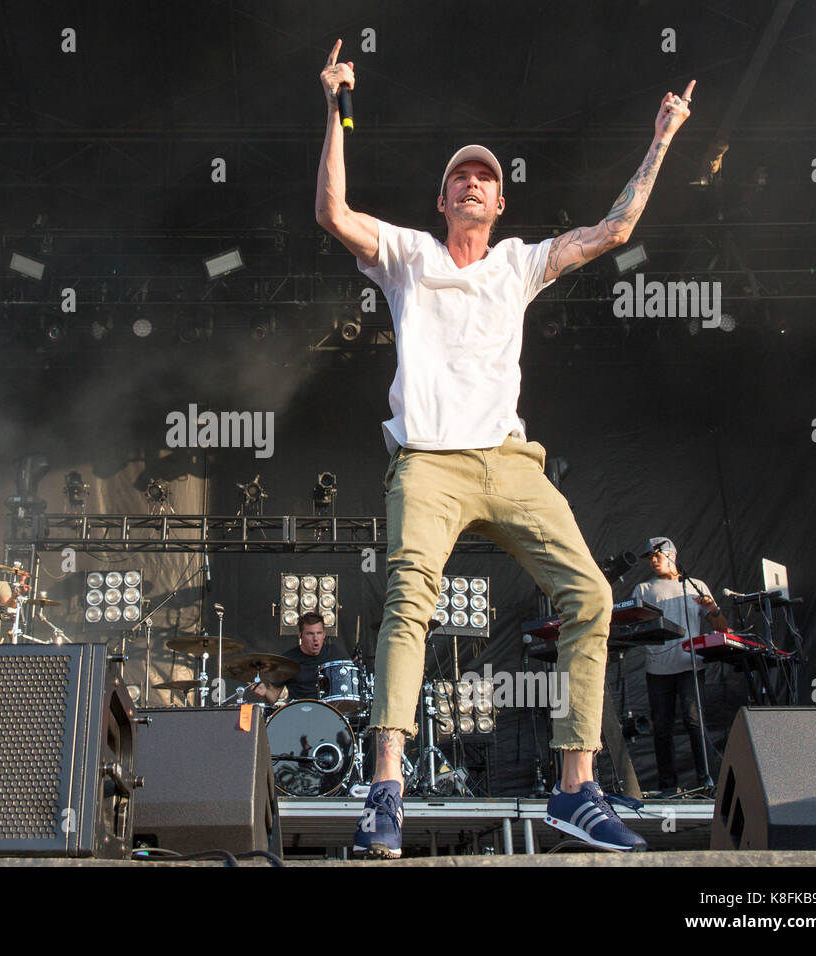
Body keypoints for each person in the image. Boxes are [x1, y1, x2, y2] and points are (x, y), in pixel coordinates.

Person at [314, 38, 696, 856]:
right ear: (443, 199)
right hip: (428, 462)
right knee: (410, 599)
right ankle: (384, 790)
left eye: (486, 177)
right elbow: (333, 214)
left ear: (499, 205)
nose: (474, 183)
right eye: (461, 176)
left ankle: (574, 790)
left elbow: (617, 225)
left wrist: (663, 136)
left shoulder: (520, 265)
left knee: (591, 596)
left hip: (509, 462)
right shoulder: (409, 257)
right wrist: (337, 108)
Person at [632, 537, 726, 795]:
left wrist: (714, 610)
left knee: (694, 721)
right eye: (649, 557)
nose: (652, 561)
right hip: (658, 669)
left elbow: (721, 629)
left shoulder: (695, 586)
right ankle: (668, 787)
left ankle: (706, 781)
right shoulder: (643, 590)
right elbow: (635, 628)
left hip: (690, 666)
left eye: (656, 555)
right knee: (661, 727)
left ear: (672, 555)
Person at [249, 611, 344, 704]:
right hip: (299, 712)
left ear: (324, 634)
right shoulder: (288, 660)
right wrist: (265, 693)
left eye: (319, 633)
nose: (315, 638)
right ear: (300, 635)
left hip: (329, 711)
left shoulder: (333, 653)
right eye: (310, 634)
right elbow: (273, 697)